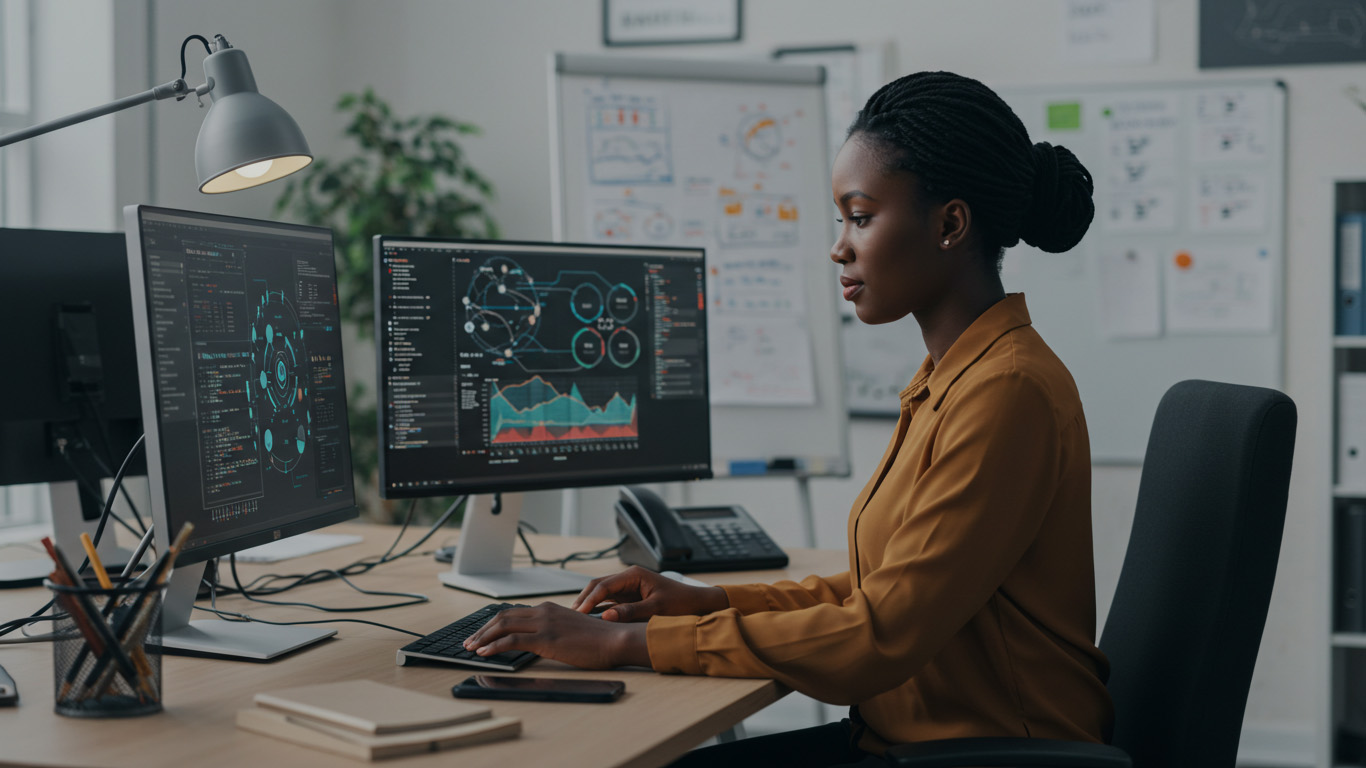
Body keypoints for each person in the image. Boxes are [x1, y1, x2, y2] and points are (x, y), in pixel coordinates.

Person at [463, 70, 1113, 766]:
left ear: (950, 224)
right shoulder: (951, 376)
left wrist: (626, 642)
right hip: (909, 739)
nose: (839, 246)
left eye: (860, 217)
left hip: (988, 754)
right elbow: (883, 587)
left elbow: (877, 635)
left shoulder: (1007, 391)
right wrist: (702, 602)